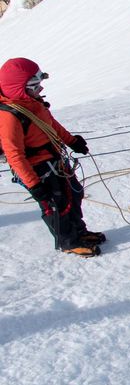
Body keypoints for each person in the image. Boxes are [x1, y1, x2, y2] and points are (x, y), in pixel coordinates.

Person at [0, 58, 102, 256]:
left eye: (39, 83)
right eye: (34, 86)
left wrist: (71, 141)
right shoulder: (10, 116)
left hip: (55, 159)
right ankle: (69, 242)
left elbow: (51, 124)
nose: (39, 89)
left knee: (74, 193)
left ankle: (79, 232)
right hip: (38, 168)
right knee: (56, 205)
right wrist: (34, 185)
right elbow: (15, 155)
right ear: (18, 88)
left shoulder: (31, 102)